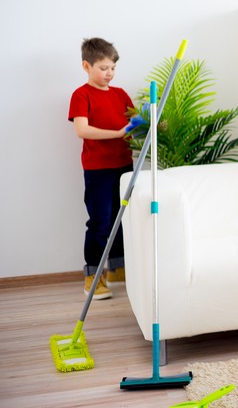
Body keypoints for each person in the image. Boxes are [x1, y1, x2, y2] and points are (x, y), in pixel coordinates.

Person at [68, 38, 137, 300]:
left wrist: (150, 123)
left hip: (124, 165)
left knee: (122, 218)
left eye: (113, 68)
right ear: (86, 66)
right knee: (100, 222)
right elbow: (81, 130)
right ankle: (93, 278)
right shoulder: (81, 95)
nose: (109, 73)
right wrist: (118, 132)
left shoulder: (120, 94)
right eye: (104, 68)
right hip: (98, 169)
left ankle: (118, 270)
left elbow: (134, 121)